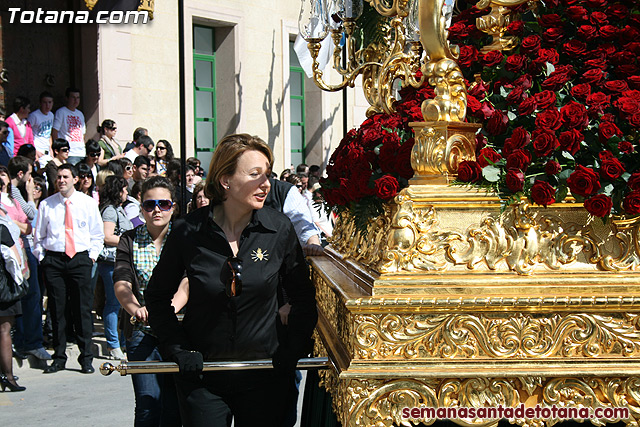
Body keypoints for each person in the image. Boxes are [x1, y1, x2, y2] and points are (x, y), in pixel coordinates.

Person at [145, 133, 317, 426]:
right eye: (255, 175)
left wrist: (291, 350)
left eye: (268, 175)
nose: (266, 184)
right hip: (203, 379)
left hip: (266, 376)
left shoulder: (279, 229)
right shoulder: (188, 230)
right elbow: (157, 297)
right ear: (225, 180)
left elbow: (303, 297)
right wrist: (177, 348)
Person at [114, 175, 182, 426]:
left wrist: (169, 309)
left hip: (178, 329)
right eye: (149, 204)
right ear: (141, 207)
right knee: (147, 403)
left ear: (173, 207)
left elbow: (188, 281)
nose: (156, 210)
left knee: (175, 404)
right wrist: (134, 308)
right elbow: (122, 281)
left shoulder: (183, 237)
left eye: (163, 204)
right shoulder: (129, 240)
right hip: (141, 330)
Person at [34, 163, 105, 374]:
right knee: (57, 310)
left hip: (80, 259)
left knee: (82, 309)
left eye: (65, 176)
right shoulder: (47, 205)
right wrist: (43, 259)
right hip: (54, 261)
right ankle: (59, 357)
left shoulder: (88, 203)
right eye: (58, 177)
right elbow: (38, 237)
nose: (61, 180)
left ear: (75, 179)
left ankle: (86, 358)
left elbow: (97, 234)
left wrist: (91, 258)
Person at [98, 176, 133, 360]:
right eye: (124, 190)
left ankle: (121, 340)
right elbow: (107, 236)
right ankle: (113, 345)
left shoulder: (119, 209)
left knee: (119, 305)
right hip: (110, 262)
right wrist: (129, 243)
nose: (127, 193)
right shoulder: (110, 211)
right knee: (113, 304)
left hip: (119, 261)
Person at [0, 189, 27, 392]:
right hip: (4, 286)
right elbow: (15, 260)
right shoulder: (3, 227)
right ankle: (8, 376)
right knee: (4, 331)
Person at [52, 88, 86, 165]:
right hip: (69, 153)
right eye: (73, 97)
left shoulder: (80, 114)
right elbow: (55, 132)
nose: (76, 100)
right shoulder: (61, 112)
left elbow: (83, 134)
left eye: (78, 98)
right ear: (67, 98)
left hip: (81, 152)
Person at [28, 91, 55, 168]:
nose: (47, 105)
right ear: (40, 103)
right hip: (38, 150)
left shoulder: (51, 115)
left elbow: (49, 134)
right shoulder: (34, 116)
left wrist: (51, 150)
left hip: (47, 151)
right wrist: (35, 152)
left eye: (50, 102)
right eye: (45, 103)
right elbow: (28, 134)